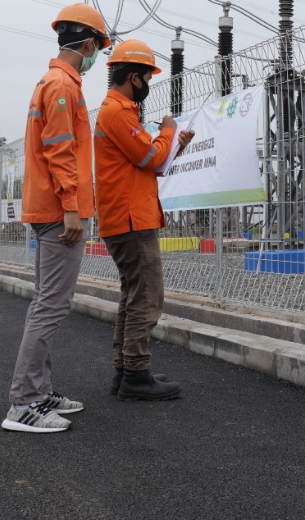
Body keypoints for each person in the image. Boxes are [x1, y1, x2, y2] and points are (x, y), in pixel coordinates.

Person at [1, 3, 108, 434]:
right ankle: (24, 403)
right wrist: (71, 208)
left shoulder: (51, 82)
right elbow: (60, 150)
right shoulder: (63, 85)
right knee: (52, 304)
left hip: (48, 207)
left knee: (44, 301)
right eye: (99, 46)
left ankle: (39, 391)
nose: (98, 55)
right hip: (58, 210)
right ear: (86, 44)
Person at [94, 39, 194, 401]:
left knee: (133, 294)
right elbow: (151, 156)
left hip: (128, 216)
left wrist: (174, 145)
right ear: (135, 78)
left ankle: (126, 369)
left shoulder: (118, 112)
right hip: (131, 221)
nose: (149, 83)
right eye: (148, 76)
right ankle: (136, 373)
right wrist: (169, 130)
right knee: (147, 297)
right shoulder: (117, 112)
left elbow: (146, 163)